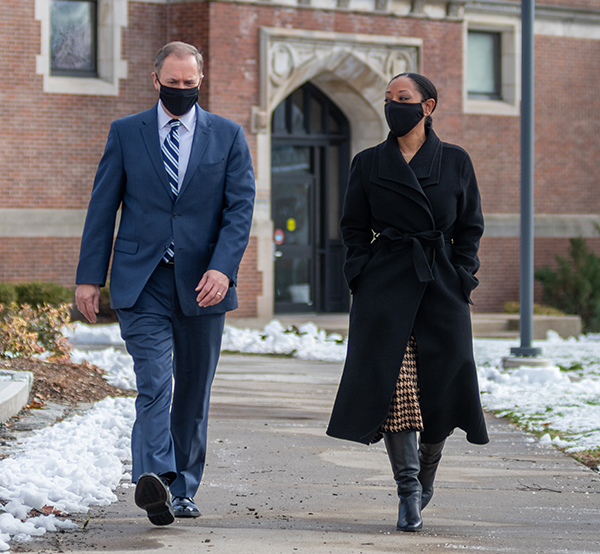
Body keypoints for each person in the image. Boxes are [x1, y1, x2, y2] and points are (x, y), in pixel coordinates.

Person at [75, 42, 255, 526]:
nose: (181, 91)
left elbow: (239, 211)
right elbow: (102, 207)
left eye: (189, 83)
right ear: (155, 80)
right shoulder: (126, 133)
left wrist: (222, 268)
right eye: (172, 83)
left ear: (201, 80)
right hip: (143, 279)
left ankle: (185, 488)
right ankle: (156, 481)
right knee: (154, 383)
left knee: (193, 391)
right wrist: (89, 278)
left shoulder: (229, 136)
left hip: (204, 284)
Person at [326, 73, 489, 532]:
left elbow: (470, 226)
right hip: (385, 286)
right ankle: (408, 490)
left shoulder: (455, 161)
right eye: (388, 99)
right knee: (395, 386)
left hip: (441, 284)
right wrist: (360, 272)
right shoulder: (369, 162)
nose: (393, 106)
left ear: (428, 106)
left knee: (441, 388)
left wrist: (463, 275)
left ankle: (428, 468)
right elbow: (352, 226)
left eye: (403, 99)